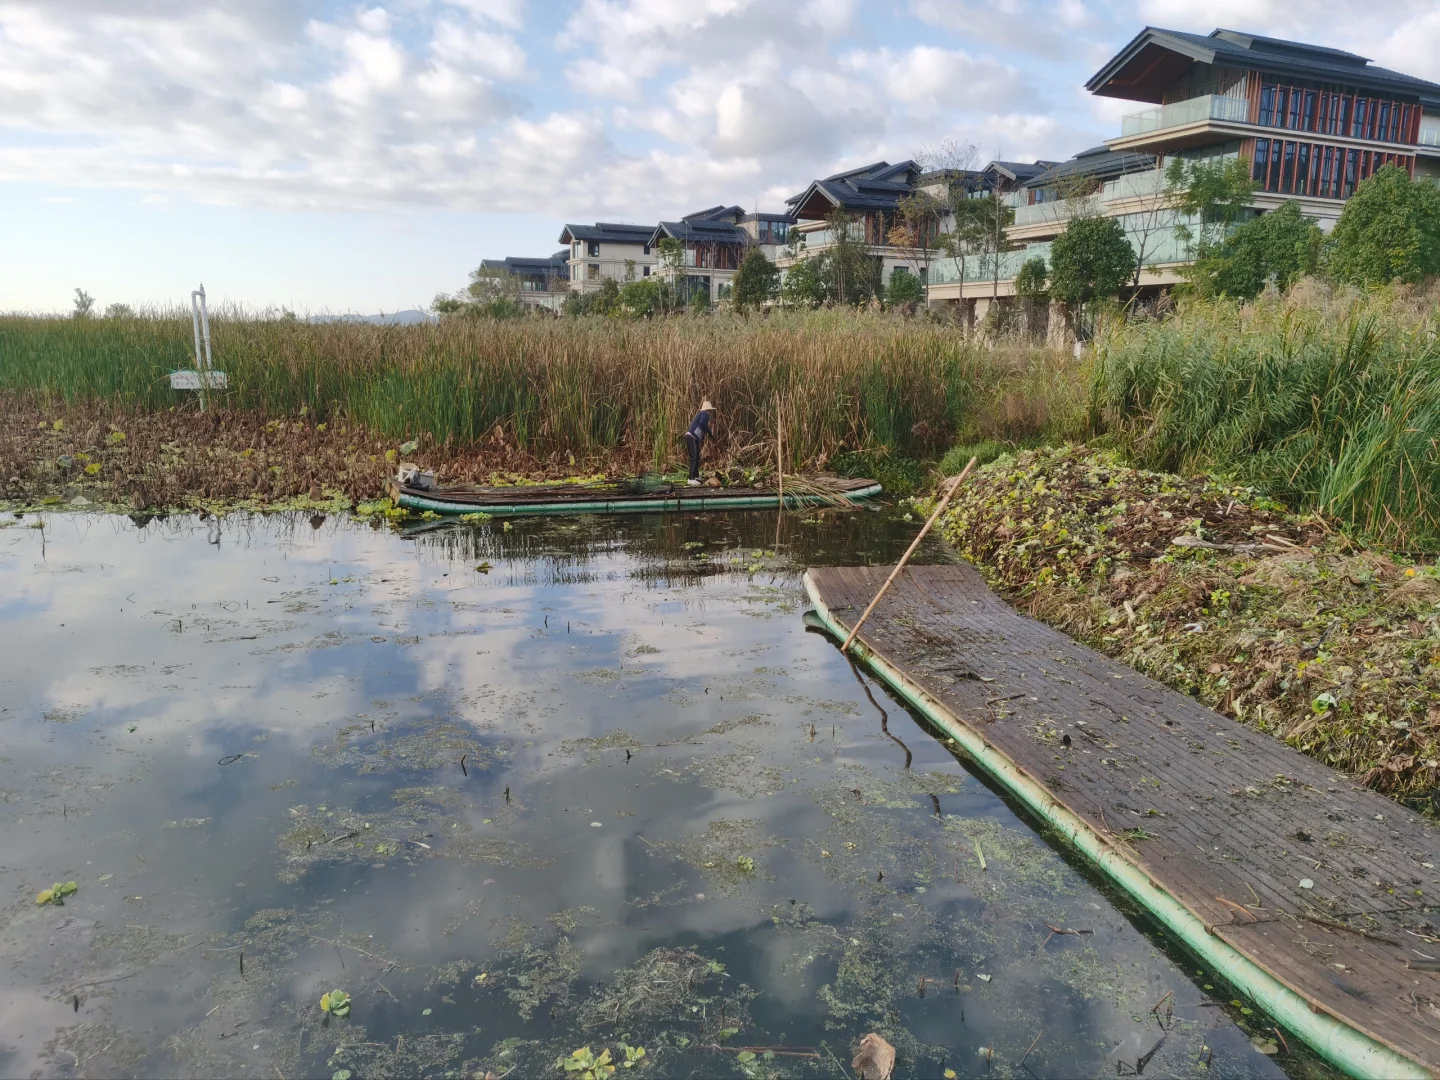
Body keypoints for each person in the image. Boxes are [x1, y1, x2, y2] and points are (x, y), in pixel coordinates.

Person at [682, 399, 714, 485]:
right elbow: (703, 424)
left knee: (696, 457)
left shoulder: (701, 414)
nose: (711, 412)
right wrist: (710, 434)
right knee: (694, 457)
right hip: (691, 437)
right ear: (709, 410)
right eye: (711, 411)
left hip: (691, 437)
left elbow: (703, 426)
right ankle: (691, 478)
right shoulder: (705, 414)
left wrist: (710, 435)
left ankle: (696, 476)